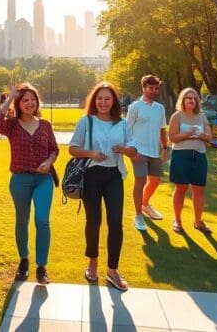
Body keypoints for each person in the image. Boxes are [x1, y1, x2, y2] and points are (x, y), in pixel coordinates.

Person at [68, 81, 137, 291]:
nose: (104, 102)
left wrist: (125, 149)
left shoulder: (122, 124)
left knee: (116, 222)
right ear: (94, 101)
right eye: (100, 98)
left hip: (114, 175)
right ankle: (92, 261)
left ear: (114, 101)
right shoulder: (86, 121)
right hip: (91, 175)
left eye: (108, 98)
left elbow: (134, 150)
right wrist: (92, 154)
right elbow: (73, 148)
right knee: (93, 221)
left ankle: (112, 270)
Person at [0, 83, 58, 285]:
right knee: (22, 220)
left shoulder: (45, 124)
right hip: (20, 179)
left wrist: (49, 162)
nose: (29, 103)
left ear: (37, 102)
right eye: (25, 100)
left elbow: (54, 149)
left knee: (42, 220)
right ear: (19, 104)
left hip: (43, 180)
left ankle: (42, 267)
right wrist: (10, 97)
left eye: (33, 99)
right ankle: (23, 260)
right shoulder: (11, 124)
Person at [168, 88, 213, 235]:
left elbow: (209, 136)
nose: (192, 101)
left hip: (199, 155)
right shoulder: (177, 116)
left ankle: (198, 222)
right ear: (182, 100)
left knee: (199, 190)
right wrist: (187, 134)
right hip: (181, 156)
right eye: (188, 98)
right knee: (181, 188)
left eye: (194, 99)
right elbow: (172, 138)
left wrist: (202, 135)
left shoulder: (201, 116)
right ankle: (177, 221)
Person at [126, 75, 168, 231]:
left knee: (155, 181)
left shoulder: (160, 108)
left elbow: (162, 130)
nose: (154, 91)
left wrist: (165, 149)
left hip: (154, 151)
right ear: (144, 88)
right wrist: (132, 152)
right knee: (140, 181)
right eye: (151, 88)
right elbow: (127, 131)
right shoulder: (135, 107)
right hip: (139, 151)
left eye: (156, 88)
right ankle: (138, 215)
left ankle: (144, 204)